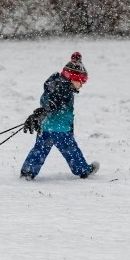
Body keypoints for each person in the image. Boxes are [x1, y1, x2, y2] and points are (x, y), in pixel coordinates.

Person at [20, 52, 99, 180]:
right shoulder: (64, 90)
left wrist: (41, 114)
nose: (81, 85)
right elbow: (54, 103)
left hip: (45, 126)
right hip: (60, 129)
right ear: (72, 78)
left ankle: (28, 171)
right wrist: (44, 111)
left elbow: (51, 101)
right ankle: (83, 170)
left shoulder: (55, 84)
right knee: (71, 151)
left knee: (39, 150)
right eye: (80, 81)